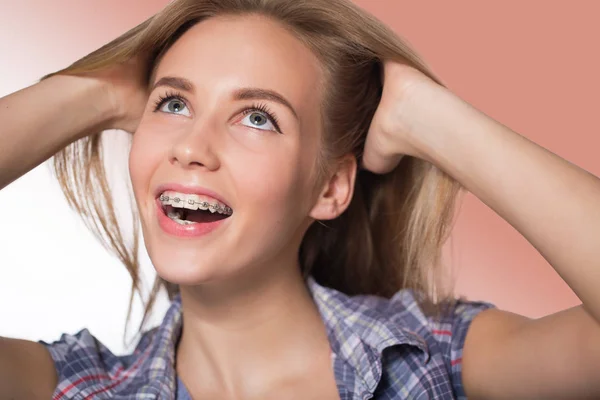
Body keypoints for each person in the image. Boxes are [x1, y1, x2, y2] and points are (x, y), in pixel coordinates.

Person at [1, 0, 599, 399]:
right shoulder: (73, 385)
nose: (190, 147)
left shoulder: (433, 357)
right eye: (174, 104)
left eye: (256, 117)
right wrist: (89, 96)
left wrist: (430, 118)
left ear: (330, 186)